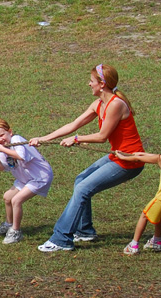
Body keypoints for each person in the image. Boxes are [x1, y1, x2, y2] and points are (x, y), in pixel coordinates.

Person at [31, 63, 144, 253]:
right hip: (117, 156)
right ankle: (85, 231)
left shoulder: (115, 104)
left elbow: (102, 136)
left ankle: (61, 239)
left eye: (91, 81)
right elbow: (74, 124)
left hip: (130, 161)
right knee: (81, 180)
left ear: (102, 84)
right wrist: (43, 138)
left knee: (83, 188)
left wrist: (76, 139)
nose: (88, 84)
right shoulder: (98, 104)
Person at [0, 119, 53, 245]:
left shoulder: (16, 140)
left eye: (2, 135)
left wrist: (2, 149)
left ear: (10, 132)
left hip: (40, 177)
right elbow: (2, 167)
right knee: (7, 197)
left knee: (16, 200)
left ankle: (16, 231)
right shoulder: (5, 148)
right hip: (25, 178)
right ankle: (8, 224)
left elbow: (20, 156)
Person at [119, 130, 161, 255]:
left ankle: (133, 245)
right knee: (160, 216)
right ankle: (156, 241)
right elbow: (144, 156)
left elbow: (138, 159)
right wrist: (139, 153)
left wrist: (122, 156)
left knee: (144, 215)